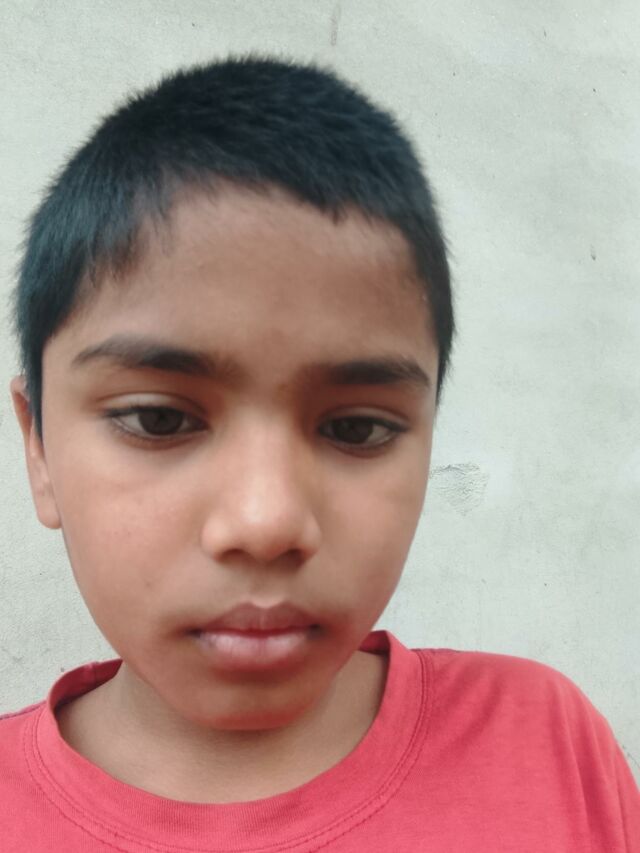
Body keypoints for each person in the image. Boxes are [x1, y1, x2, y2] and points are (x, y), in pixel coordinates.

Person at [1, 55, 638, 852]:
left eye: (357, 428)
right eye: (158, 419)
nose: (266, 523)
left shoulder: (546, 744)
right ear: (39, 447)